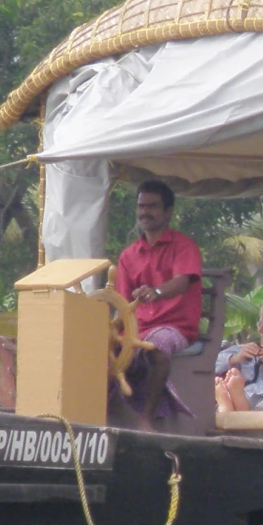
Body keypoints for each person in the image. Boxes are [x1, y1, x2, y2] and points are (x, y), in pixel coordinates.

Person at [111, 180, 202, 427]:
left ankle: (146, 418)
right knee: (98, 349)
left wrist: (156, 292)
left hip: (175, 327)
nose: (144, 212)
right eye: (141, 206)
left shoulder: (184, 246)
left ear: (168, 212)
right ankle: (111, 413)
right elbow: (122, 301)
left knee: (157, 346)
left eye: (152, 206)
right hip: (137, 328)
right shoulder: (128, 255)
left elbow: (182, 282)